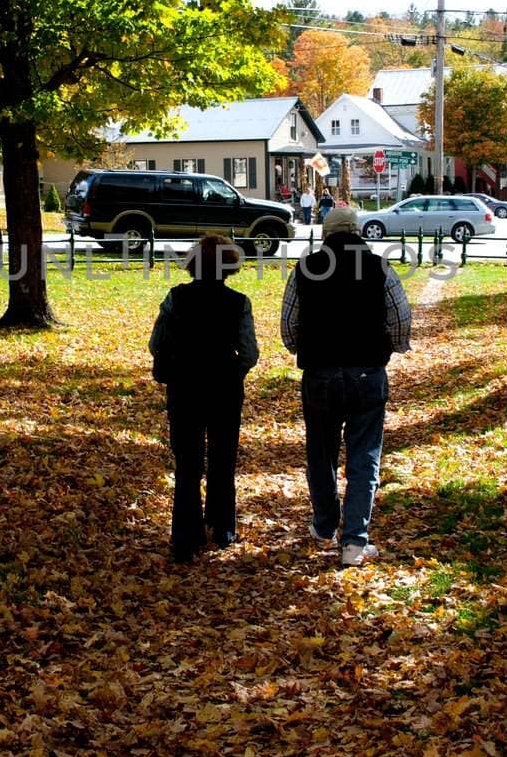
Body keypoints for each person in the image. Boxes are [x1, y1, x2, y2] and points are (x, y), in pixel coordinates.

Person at [280, 206, 411, 567]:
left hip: (320, 372)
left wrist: (304, 348)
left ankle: (324, 526)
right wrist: (394, 346)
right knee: (364, 455)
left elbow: (289, 323)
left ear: (326, 234)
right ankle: (354, 541)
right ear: (357, 232)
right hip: (368, 370)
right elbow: (400, 316)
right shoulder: (379, 266)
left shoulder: (306, 267)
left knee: (320, 453)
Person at [149, 235, 259, 563]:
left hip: (184, 386)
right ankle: (223, 527)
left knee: (188, 461)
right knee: (223, 458)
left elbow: (157, 344)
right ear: (229, 266)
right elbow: (249, 352)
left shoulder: (176, 298)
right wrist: (233, 370)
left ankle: (185, 536)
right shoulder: (238, 302)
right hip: (224, 387)